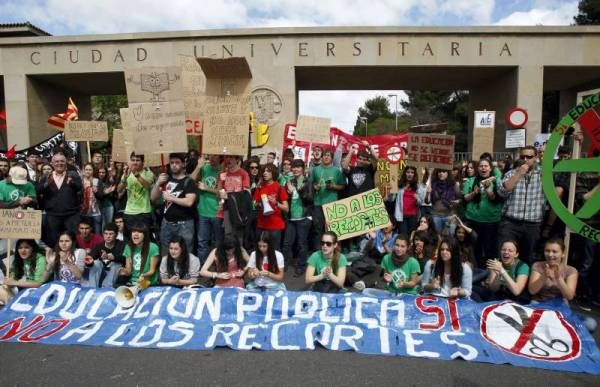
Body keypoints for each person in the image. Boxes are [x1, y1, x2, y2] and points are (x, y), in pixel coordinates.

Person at [529, 238, 596, 332]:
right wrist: (543, 276)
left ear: (563, 254)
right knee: (529, 318)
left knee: (591, 324)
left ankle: (554, 326)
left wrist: (559, 279)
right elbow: (532, 290)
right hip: (539, 304)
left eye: (554, 251)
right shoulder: (537, 266)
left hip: (560, 307)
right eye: (547, 251)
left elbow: (569, 296)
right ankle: (557, 327)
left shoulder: (571, 271)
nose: (550, 254)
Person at [497, 146, 545, 264]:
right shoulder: (511, 173)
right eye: (522, 156)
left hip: (532, 224)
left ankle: (523, 281)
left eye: (529, 157)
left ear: (536, 158)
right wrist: (518, 174)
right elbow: (502, 192)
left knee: (528, 257)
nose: (525, 159)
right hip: (510, 222)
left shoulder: (543, 174)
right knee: (505, 255)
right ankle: (503, 280)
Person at [151, 153, 197, 255]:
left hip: (184, 225)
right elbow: (153, 198)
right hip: (166, 223)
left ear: (183, 164)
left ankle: (184, 271)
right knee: (166, 253)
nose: (174, 165)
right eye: (171, 163)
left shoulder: (188, 182)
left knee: (185, 253)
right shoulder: (166, 180)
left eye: (177, 163)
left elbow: (189, 202)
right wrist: (158, 183)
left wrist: (171, 198)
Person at [37, 150, 83, 247]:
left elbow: (79, 187)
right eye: (57, 161)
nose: (59, 163)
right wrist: (45, 185)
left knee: (73, 239)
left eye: (62, 161)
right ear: (52, 163)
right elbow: (38, 190)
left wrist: (72, 183)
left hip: (71, 215)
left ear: (65, 162)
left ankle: (72, 259)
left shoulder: (73, 174)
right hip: (53, 215)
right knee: (54, 240)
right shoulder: (46, 176)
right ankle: (57, 259)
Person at [463, 158, 502, 267]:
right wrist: (474, 193)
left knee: (489, 248)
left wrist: (488, 189)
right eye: (481, 166)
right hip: (473, 219)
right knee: (474, 248)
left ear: (490, 168)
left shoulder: (497, 181)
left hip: (491, 221)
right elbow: (465, 198)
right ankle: (475, 270)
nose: (483, 168)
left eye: (486, 166)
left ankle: (489, 273)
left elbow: (496, 198)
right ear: (477, 168)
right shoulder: (471, 181)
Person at [282, 159, 313, 276]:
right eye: (294, 167)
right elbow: (285, 199)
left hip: (303, 217)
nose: (295, 169)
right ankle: (284, 264)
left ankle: (301, 266)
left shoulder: (307, 181)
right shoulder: (289, 182)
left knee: (302, 244)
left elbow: (310, 199)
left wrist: (299, 191)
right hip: (291, 218)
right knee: (287, 243)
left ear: (303, 169)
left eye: (298, 167)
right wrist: (289, 193)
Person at [310, 150, 346, 249]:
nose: (326, 157)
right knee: (318, 229)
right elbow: (311, 183)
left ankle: (333, 251)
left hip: (332, 204)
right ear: (322, 157)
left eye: (328, 156)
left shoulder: (336, 170)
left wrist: (333, 186)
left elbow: (343, 186)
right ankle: (318, 251)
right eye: (325, 155)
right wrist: (314, 186)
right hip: (318, 203)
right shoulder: (316, 170)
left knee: (332, 229)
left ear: (331, 158)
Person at [191, 154, 222, 264]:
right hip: (203, 212)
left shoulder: (222, 170)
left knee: (218, 243)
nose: (212, 159)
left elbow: (221, 192)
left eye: (215, 156)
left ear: (220, 157)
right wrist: (198, 166)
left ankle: (218, 266)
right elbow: (190, 180)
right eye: (210, 156)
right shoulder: (204, 168)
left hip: (218, 212)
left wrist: (206, 188)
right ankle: (202, 268)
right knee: (202, 242)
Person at [117, 153, 155, 238]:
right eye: (133, 160)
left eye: (137, 160)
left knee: (144, 238)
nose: (135, 162)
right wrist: (125, 179)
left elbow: (147, 185)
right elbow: (119, 190)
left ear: (143, 162)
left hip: (144, 212)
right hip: (129, 212)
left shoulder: (148, 173)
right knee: (130, 239)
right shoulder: (127, 173)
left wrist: (136, 174)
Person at [217, 155, 251, 245]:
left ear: (237, 160)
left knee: (238, 237)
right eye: (227, 158)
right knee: (228, 236)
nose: (228, 160)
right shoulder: (223, 174)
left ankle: (239, 257)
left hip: (238, 210)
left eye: (231, 158)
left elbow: (246, 193)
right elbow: (219, 191)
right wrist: (220, 194)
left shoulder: (243, 174)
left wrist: (229, 196)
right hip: (226, 210)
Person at [253, 164, 288, 250]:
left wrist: (276, 203)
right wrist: (258, 204)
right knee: (260, 250)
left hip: (275, 225)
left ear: (273, 173)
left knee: (274, 251)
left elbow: (286, 208)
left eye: (268, 171)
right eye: (264, 171)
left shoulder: (279, 188)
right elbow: (254, 203)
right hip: (261, 224)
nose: (265, 173)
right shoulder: (260, 187)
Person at [88, 223, 126, 288]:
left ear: (116, 235)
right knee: (96, 263)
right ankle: (93, 289)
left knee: (116, 264)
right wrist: (89, 262)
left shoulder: (122, 245)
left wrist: (111, 257)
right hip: (102, 271)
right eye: (106, 234)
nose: (108, 236)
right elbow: (90, 258)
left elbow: (124, 259)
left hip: (116, 273)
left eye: (111, 234)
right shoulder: (99, 246)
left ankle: (106, 288)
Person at [426, 168, 460, 237]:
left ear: (448, 173)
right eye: (439, 172)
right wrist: (428, 193)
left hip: (450, 215)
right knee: (438, 237)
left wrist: (457, 202)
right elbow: (427, 201)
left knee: (451, 237)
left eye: (444, 172)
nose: (441, 173)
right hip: (436, 215)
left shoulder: (453, 184)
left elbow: (460, 198)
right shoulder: (433, 184)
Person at [394, 166, 426, 236]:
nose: (410, 174)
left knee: (412, 235)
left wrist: (417, 198)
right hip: (402, 215)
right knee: (403, 235)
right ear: (405, 173)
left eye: (412, 172)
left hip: (413, 215)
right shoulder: (400, 185)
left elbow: (421, 202)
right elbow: (393, 198)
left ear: (414, 174)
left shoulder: (418, 186)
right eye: (408, 172)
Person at [81, 162, 104, 234]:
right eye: (86, 169)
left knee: (98, 233)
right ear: (84, 170)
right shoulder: (80, 181)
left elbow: (101, 196)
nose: (88, 171)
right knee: (86, 234)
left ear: (93, 171)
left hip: (96, 212)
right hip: (84, 213)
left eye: (90, 169)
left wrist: (95, 190)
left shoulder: (97, 181)